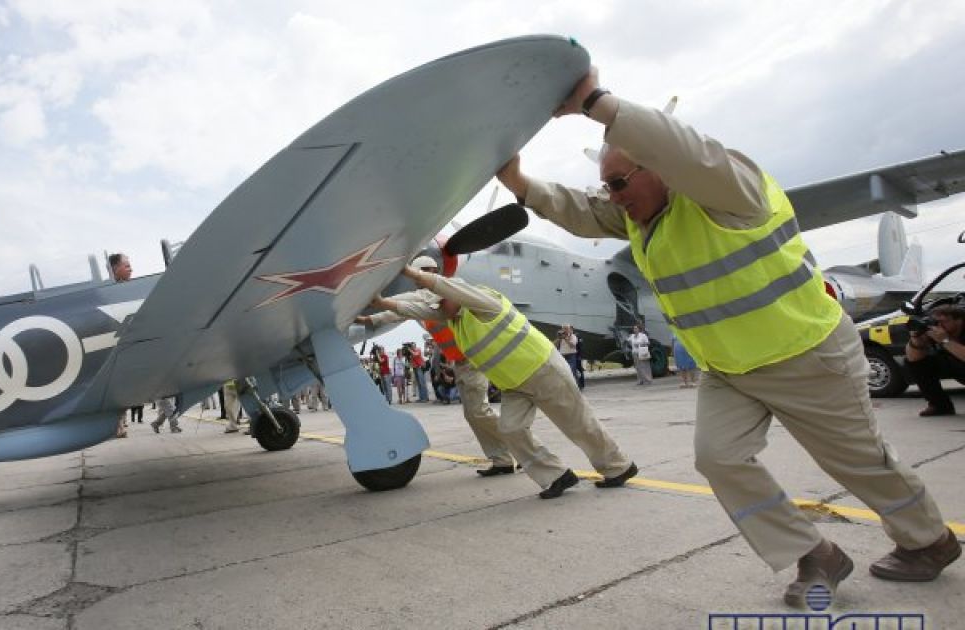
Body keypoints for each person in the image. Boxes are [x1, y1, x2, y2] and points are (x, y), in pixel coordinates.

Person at [495, 66, 959, 605]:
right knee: (718, 457)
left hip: (806, 355)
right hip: (731, 369)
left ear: (661, 166)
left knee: (857, 461)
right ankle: (816, 555)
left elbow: (693, 154)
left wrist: (599, 104)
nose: (613, 196)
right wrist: (519, 184)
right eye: (608, 186)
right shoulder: (644, 219)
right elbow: (582, 212)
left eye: (620, 183)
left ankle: (930, 541)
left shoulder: (730, 191)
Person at [365, 259, 638, 499]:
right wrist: (379, 305)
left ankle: (619, 467)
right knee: (511, 430)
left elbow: (440, 287)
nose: (439, 307)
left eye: (442, 300)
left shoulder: (484, 301)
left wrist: (406, 270)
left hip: (542, 370)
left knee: (578, 424)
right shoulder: (455, 320)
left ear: (455, 293)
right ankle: (556, 475)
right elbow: (411, 309)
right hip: (513, 385)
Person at [357, 255, 524, 478]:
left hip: (472, 360)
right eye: (427, 270)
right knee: (474, 413)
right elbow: (400, 309)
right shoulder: (426, 297)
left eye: (433, 270)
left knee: (478, 412)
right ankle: (504, 459)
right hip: (462, 362)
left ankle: (524, 451)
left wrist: (371, 315)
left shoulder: (441, 291)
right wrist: (373, 317)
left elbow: (403, 303)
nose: (431, 274)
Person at [904, 304, 965, 416]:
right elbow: (913, 358)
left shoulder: (944, 336)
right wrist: (916, 340)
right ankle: (939, 405)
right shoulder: (935, 332)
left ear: (959, 320)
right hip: (956, 367)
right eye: (936, 322)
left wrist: (945, 341)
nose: (939, 326)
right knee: (918, 363)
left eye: (943, 322)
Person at [110, 252, 134, 437]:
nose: (131, 269)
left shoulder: (127, 288)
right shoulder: (113, 292)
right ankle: (117, 426)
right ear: (115, 269)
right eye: (127, 266)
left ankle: (121, 425)